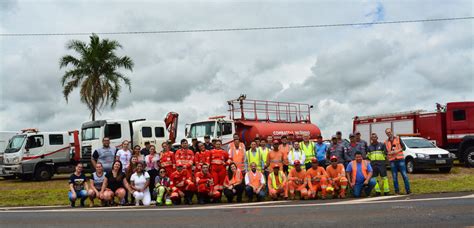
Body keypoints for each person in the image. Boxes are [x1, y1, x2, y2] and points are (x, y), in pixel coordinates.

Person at [385, 128, 411, 195]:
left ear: (392, 132)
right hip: (392, 161)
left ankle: (408, 190)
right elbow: (385, 152)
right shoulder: (385, 142)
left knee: (404, 175)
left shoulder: (398, 138)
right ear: (386, 134)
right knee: (394, 177)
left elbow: (404, 148)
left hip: (400, 159)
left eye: (389, 132)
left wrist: (397, 151)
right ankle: (397, 191)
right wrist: (388, 153)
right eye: (387, 133)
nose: (389, 133)